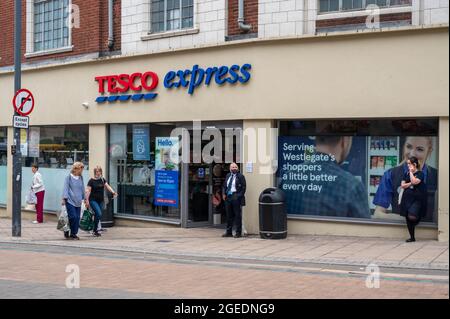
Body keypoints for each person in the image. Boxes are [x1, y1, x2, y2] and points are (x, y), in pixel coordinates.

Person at [283, 136, 370, 218]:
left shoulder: (288, 176)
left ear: (316, 140)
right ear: (345, 141)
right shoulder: (352, 187)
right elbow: (365, 230)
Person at [373, 136, 437, 222]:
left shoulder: (438, 177)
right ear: (404, 147)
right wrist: (406, 220)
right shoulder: (390, 175)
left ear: (429, 151)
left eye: (420, 149)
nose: (412, 154)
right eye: (409, 147)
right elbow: (378, 215)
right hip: (398, 233)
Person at [400, 156, 427, 242]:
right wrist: (411, 183)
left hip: (417, 198)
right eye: (407, 163)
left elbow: (415, 182)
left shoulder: (420, 173)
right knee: (408, 217)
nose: (408, 165)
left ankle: (416, 221)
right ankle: (412, 237)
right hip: (407, 198)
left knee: (412, 216)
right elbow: (402, 185)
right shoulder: (405, 174)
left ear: (414, 164)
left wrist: (411, 173)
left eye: (409, 164)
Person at [85, 166, 117, 237]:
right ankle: (94, 230)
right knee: (98, 213)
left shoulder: (102, 179)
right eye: (96, 171)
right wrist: (86, 200)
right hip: (93, 200)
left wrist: (113, 192)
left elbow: (107, 186)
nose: (98, 173)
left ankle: (94, 229)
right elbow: (88, 191)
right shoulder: (91, 181)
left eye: (99, 171)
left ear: (101, 172)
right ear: (94, 172)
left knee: (97, 215)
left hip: (101, 200)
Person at [62, 162, 87, 240]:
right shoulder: (68, 177)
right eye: (81, 169)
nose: (82, 171)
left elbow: (82, 188)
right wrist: (64, 198)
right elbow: (65, 188)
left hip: (78, 201)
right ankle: (68, 231)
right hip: (70, 200)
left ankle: (73, 234)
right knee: (73, 217)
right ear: (76, 169)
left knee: (77, 218)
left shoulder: (81, 178)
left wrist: (85, 198)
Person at [222, 163, 246, 238]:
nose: (234, 168)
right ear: (230, 168)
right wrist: (223, 194)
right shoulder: (228, 175)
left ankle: (238, 232)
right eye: (232, 167)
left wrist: (238, 196)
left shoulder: (241, 176)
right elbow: (224, 186)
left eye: (235, 167)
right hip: (228, 197)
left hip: (236, 197)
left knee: (237, 215)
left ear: (238, 168)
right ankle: (229, 232)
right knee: (229, 215)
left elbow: (244, 188)